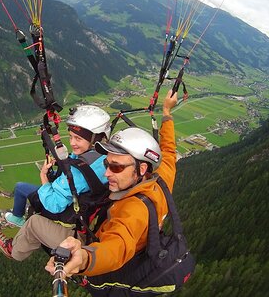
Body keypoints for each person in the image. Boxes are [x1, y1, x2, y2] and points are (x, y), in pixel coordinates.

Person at [45, 90, 178, 289]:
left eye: (116, 167)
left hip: (117, 259)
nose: (107, 174)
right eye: (107, 164)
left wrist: (85, 258)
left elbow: (117, 246)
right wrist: (167, 111)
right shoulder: (161, 179)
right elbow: (168, 150)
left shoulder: (133, 209)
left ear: (141, 169)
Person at [0, 105, 111, 258]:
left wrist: (43, 177)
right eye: (71, 137)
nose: (72, 143)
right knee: (28, 194)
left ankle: (13, 251)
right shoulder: (106, 157)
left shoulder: (81, 172)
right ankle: (21, 223)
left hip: (76, 234)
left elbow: (54, 205)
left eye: (78, 139)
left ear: (96, 139)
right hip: (88, 220)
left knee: (34, 222)